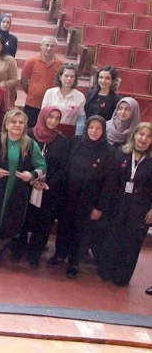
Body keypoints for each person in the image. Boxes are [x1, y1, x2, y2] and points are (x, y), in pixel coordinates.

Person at [48, 116, 113, 279]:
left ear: (103, 130)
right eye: (91, 127)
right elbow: (65, 166)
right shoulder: (76, 141)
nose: (94, 131)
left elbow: (108, 183)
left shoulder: (109, 151)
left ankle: (74, 262)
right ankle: (60, 254)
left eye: (98, 128)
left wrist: (99, 207)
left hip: (88, 201)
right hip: (68, 195)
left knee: (80, 231)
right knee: (64, 226)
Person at [0, 109, 46, 269]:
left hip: (17, 190)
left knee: (8, 220)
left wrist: (31, 175)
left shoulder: (30, 144)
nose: (17, 125)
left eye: (21, 122)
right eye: (13, 122)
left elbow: (42, 166)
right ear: (6, 124)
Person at [10, 106, 69, 268]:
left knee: (43, 222)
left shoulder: (62, 141)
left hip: (48, 189)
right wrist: (31, 179)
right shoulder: (29, 134)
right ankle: (18, 249)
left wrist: (47, 183)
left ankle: (34, 253)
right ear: (43, 116)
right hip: (27, 185)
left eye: (57, 118)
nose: (53, 121)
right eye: (50, 117)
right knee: (22, 218)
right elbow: (20, 160)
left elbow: (63, 168)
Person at [98, 122, 152, 286]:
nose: (143, 139)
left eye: (148, 136)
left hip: (140, 208)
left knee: (132, 242)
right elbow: (110, 181)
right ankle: (106, 270)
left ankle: (122, 276)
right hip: (117, 205)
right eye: (141, 134)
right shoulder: (120, 153)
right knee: (112, 237)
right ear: (134, 135)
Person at [21, 36, 62, 127]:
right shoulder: (31, 61)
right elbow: (24, 80)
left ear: (56, 48)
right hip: (32, 104)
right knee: (29, 129)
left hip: (51, 105)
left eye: (52, 46)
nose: (49, 48)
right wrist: (32, 92)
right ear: (41, 46)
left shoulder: (60, 64)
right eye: (47, 45)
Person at [41, 63, 86, 136]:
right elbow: (43, 114)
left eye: (72, 76)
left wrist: (78, 136)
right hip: (50, 129)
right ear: (60, 77)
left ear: (75, 79)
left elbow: (81, 119)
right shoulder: (50, 93)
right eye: (66, 76)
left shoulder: (80, 97)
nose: (69, 79)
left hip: (69, 132)